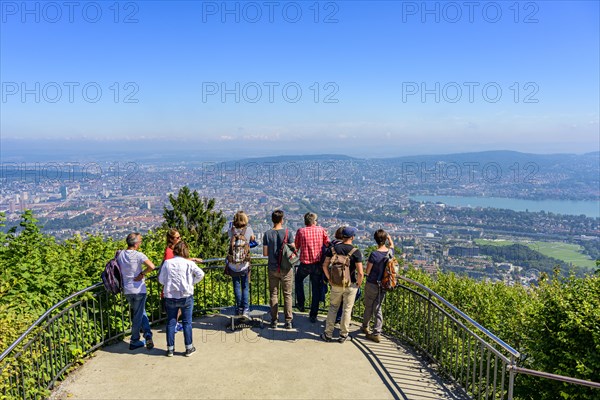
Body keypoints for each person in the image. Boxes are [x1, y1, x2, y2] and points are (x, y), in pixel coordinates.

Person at [158, 241, 205, 357]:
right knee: (187, 322)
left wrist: (168, 284)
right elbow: (201, 274)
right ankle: (189, 348)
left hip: (170, 296)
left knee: (171, 322)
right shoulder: (188, 263)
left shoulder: (167, 263)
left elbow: (161, 279)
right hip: (186, 296)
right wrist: (191, 283)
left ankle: (170, 349)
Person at [321, 226, 364, 343]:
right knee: (347, 309)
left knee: (333, 308)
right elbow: (360, 272)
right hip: (350, 284)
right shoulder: (356, 252)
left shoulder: (333, 249)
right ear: (352, 237)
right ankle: (343, 334)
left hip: (336, 283)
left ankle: (328, 333)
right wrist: (358, 283)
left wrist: (329, 278)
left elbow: (324, 265)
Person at [117, 232, 156, 350]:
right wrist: (142, 274)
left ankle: (148, 336)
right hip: (139, 289)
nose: (140, 243)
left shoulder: (120, 254)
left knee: (140, 312)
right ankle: (134, 340)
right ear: (136, 244)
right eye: (140, 241)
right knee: (138, 316)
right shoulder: (139, 255)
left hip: (127, 289)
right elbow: (152, 266)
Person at [162, 229, 202, 332]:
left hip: (175, 286)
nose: (180, 239)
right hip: (174, 287)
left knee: (178, 309)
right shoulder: (169, 252)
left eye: (180, 237)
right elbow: (174, 263)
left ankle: (174, 326)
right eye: (177, 237)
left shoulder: (173, 250)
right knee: (177, 311)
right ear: (171, 239)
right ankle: (174, 327)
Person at [294, 212, 330, 323]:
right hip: (317, 264)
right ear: (314, 221)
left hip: (305, 264)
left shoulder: (301, 231)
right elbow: (328, 243)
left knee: (298, 280)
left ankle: (301, 303)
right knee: (315, 289)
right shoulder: (321, 230)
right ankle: (313, 314)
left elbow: (296, 246)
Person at [263, 210, 295, 329]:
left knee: (273, 294)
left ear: (272, 220)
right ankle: (288, 321)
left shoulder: (267, 234)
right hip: (286, 268)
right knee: (287, 294)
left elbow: (265, 253)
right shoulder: (288, 233)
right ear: (282, 220)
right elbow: (293, 250)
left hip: (272, 267)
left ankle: (274, 320)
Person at [362, 230, 394, 343]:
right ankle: (377, 332)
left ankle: (365, 326)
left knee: (369, 306)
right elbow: (392, 246)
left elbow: (368, 270)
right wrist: (389, 238)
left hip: (372, 283)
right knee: (378, 307)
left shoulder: (374, 254)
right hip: (384, 284)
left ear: (375, 240)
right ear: (384, 239)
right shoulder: (390, 253)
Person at [227, 211, 255, 319]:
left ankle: (238, 308)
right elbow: (252, 241)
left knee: (236, 286)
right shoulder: (248, 230)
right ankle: (246, 310)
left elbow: (228, 238)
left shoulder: (231, 230)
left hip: (233, 264)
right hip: (244, 264)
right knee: (245, 287)